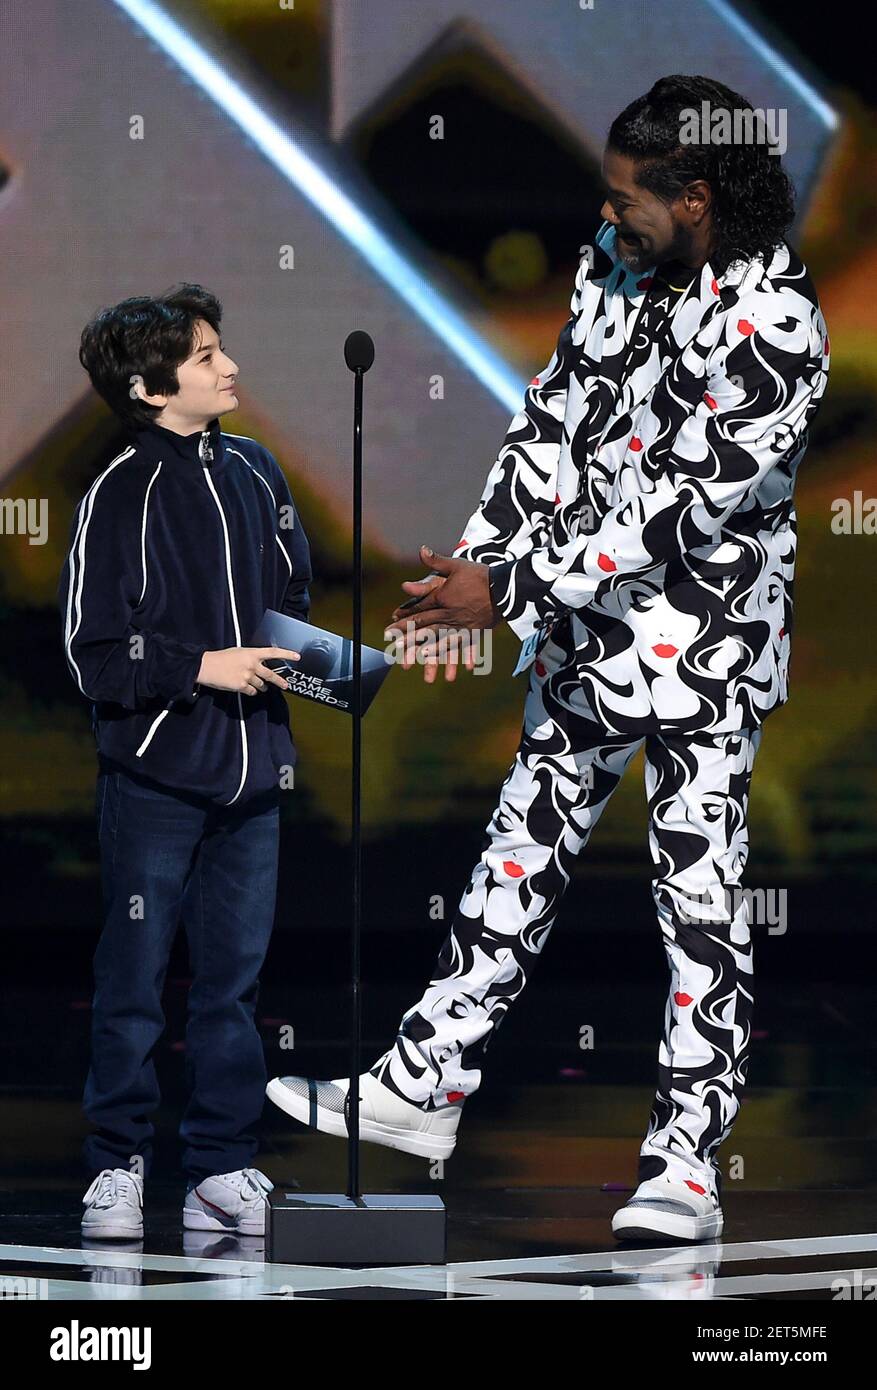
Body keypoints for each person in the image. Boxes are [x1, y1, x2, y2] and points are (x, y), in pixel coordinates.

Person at [267, 74, 830, 1243]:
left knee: (701, 908)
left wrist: (508, 588)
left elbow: (681, 507)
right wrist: (476, 566)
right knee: (511, 865)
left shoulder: (779, 327)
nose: (609, 211)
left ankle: (685, 1161)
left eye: (630, 196)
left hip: (702, 653)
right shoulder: (613, 265)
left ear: (699, 196)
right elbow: (553, 420)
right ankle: (424, 1087)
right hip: (583, 642)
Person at [59, 283, 311, 1239]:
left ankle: (220, 1163)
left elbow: (293, 597)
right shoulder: (120, 490)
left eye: (220, 349)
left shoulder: (257, 472)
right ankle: (117, 1160)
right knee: (133, 975)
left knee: (233, 986)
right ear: (149, 384)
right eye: (206, 357)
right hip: (158, 776)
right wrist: (203, 665)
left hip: (255, 776)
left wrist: (340, 659)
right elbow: (93, 651)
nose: (228, 367)